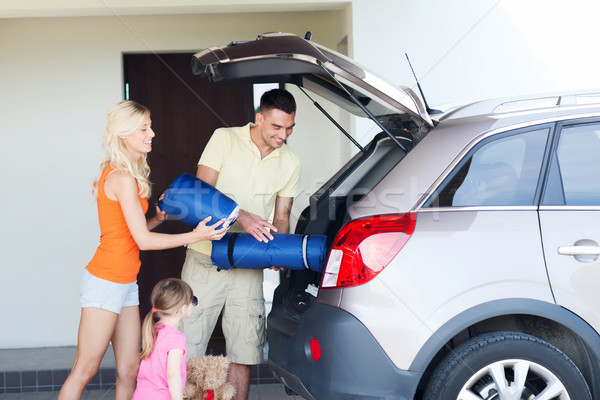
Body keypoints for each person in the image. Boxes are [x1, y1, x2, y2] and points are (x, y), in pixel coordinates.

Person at [58, 100, 228, 400]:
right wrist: (196, 234)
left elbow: (129, 233)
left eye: (150, 126)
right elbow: (143, 242)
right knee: (85, 370)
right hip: (105, 280)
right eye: (144, 128)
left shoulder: (128, 177)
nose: (152, 133)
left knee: (129, 372)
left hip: (124, 282)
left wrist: (158, 218)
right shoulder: (121, 178)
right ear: (124, 134)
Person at [181, 88, 301, 400]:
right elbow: (199, 191)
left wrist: (276, 251)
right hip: (205, 258)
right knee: (188, 345)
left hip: (249, 264)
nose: (283, 135)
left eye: (289, 128)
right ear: (259, 118)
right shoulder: (224, 138)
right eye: (276, 127)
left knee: (244, 350)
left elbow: (283, 215)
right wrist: (243, 217)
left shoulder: (291, 162)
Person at [133, 278, 196, 400]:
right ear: (182, 309)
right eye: (192, 301)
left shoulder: (153, 330)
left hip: (141, 395)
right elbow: (173, 374)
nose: (193, 305)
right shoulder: (176, 338)